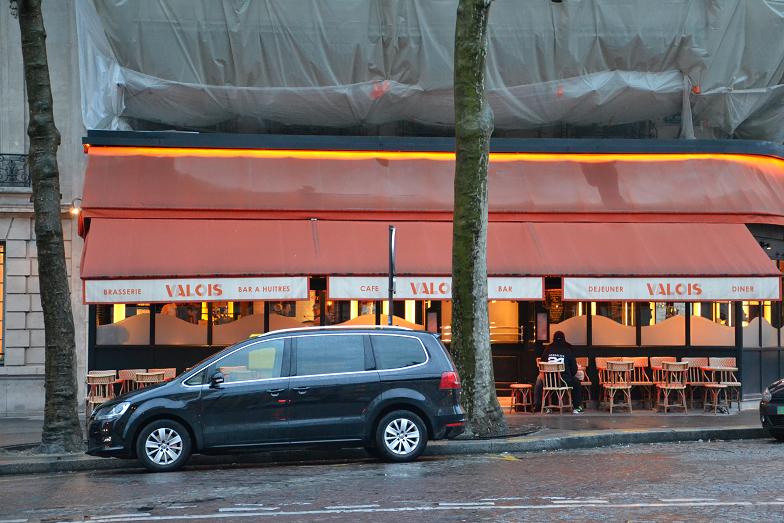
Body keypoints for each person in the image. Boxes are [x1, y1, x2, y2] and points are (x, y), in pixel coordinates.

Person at [533, 331, 584, 413]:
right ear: (564, 339)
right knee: (576, 382)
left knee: (539, 380)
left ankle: (539, 405)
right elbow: (574, 369)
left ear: (553, 339)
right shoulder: (568, 350)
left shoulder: (547, 349)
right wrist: (569, 375)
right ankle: (577, 407)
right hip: (564, 381)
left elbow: (542, 365)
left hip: (549, 381)